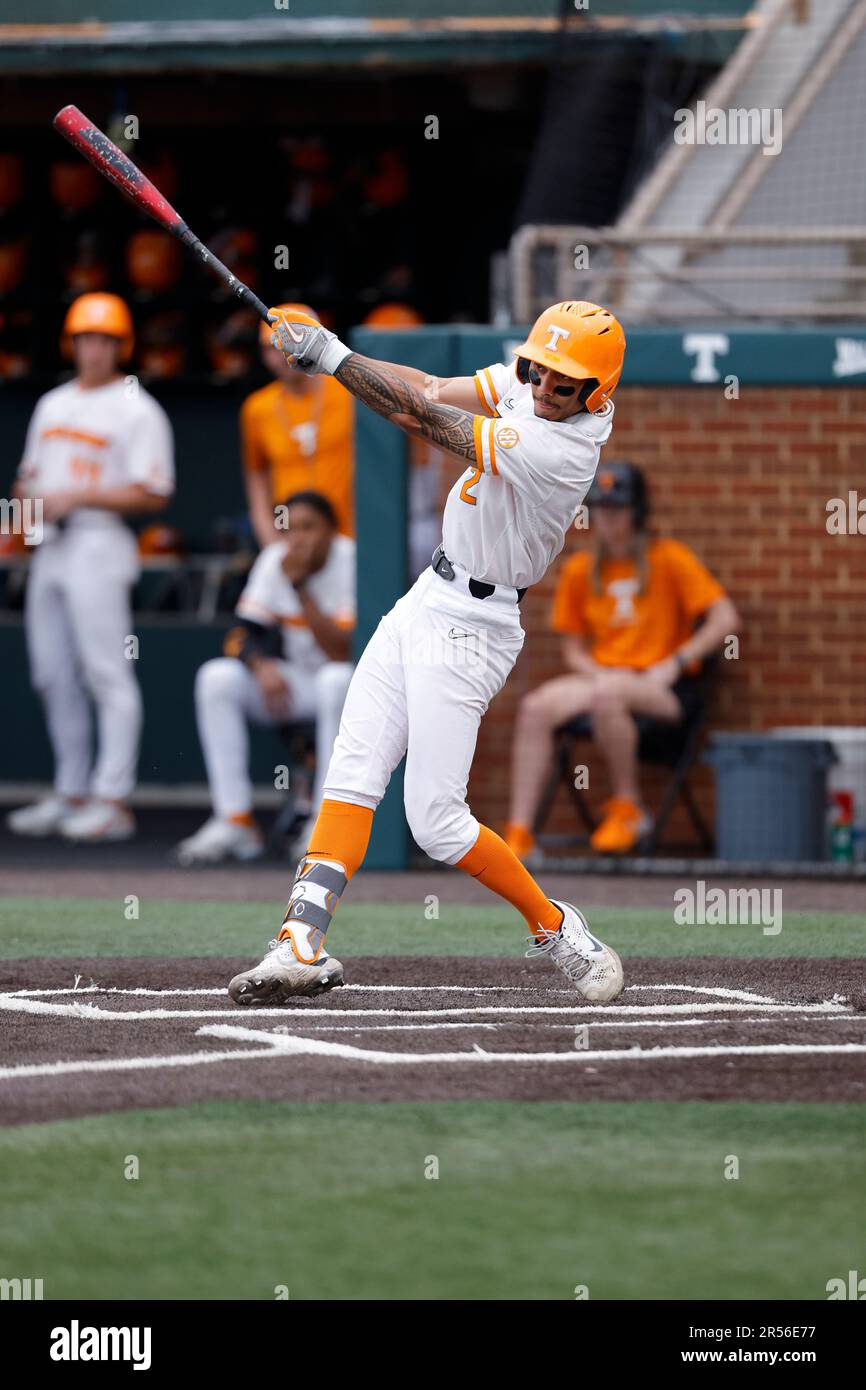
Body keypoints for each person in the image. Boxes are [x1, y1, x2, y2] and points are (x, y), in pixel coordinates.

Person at [228, 299, 628, 1008]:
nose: (542, 388)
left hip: (476, 628)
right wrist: (330, 345)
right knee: (352, 770)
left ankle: (558, 926)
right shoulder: (527, 388)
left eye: (563, 383)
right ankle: (299, 943)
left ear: (594, 393)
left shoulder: (564, 453)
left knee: (436, 821)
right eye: (538, 371)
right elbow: (427, 387)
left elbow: (420, 420)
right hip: (426, 598)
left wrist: (329, 361)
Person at [504, 461, 740, 856]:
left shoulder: (670, 559)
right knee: (535, 708)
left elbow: (725, 618)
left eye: (619, 510)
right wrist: (597, 671)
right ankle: (520, 834)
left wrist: (677, 662)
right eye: (601, 511)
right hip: (605, 677)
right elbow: (572, 649)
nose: (608, 521)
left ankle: (630, 808)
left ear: (639, 513)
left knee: (608, 694)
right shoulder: (581, 569)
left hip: (661, 686)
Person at [7, 292, 174, 842]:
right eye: (84, 338)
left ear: (121, 346)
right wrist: (16, 526)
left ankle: (112, 800)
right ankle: (71, 789)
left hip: (100, 544)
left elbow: (154, 494)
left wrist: (79, 497)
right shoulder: (52, 404)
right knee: (52, 674)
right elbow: (27, 479)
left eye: (103, 339)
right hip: (50, 546)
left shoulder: (137, 406)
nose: (93, 349)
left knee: (107, 671)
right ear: (71, 343)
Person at [175, 491, 355, 865]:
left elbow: (341, 650)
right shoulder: (274, 560)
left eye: (310, 528)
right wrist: (261, 666)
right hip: (294, 685)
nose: (298, 538)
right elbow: (240, 635)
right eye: (289, 528)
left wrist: (300, 587)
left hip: (345, 686)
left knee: (335, 679)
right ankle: (235, 820)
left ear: (332, 532)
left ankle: (323, 825)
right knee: (217, 677)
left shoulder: (349, 558)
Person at [241, 302, 354, 545]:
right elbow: (257, 475)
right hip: (292, 542)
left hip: (349, 538)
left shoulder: (349, 392)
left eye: (292, 342)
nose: (282, 353)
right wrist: (270, 541)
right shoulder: (257, 408)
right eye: (272, 346)